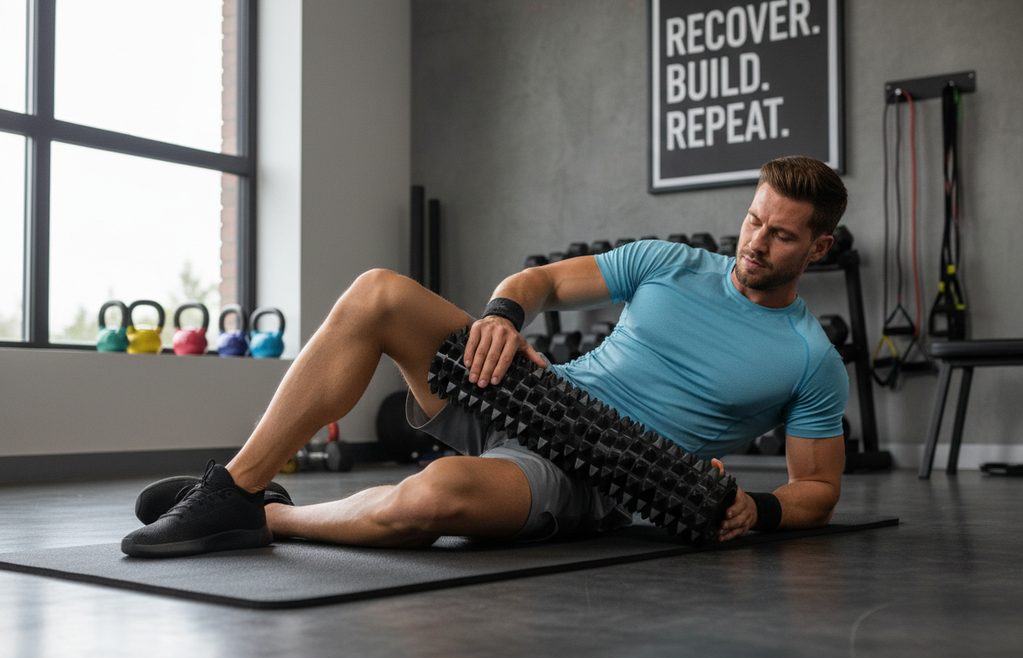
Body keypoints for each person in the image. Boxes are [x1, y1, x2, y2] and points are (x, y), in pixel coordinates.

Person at [122, 155, 849, 558]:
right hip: (534, 391)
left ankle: (269, 519)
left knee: (434, 497)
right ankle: (236, 486)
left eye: (781, 236)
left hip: (598, 473)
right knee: (379, 293)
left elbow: (816, 487)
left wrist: (755, 507)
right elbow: (543, 281)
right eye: (754, 219)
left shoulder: (808, 357)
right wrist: (505, 311)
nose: (755, 242)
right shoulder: (670, 261)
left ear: (818, 247)